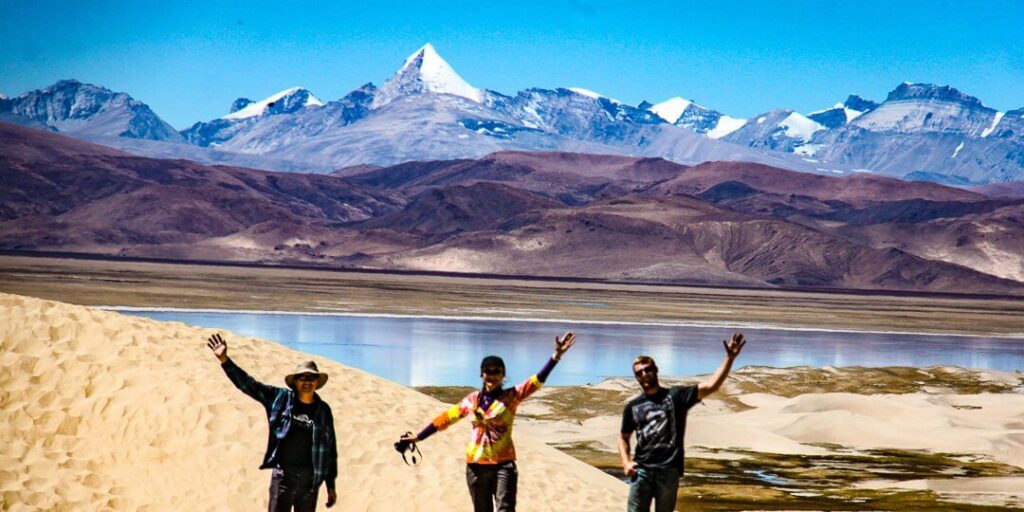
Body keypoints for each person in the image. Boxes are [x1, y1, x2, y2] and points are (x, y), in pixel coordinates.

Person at [399, 331, 578, 512]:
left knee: (505, 509)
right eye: (487, 371)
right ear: (482, 374)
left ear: (503, 375)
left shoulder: (512, 396)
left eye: (496, 371)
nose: (492, 375)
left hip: (504, 465)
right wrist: (419, 437)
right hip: (476, 467)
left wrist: (556, 356)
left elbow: (536, 381)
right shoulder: (472, 400)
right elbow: (446, 418)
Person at [207, 333, 338, 512]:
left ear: (317, 382)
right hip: (283, 478)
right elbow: (249, 385)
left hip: (309, 483)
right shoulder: (280, 398)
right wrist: (225, 360)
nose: (307, 382)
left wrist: (330, 486)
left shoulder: (323, 410)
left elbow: (330, 450)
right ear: (295, 381)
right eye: (303, 377)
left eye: (311, 378)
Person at [618, 332, 747, 512]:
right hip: (642, 472)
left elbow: (711, 386)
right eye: (639, 373)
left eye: (648, 370)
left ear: (656, 370)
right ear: (637, 377)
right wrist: (626, 462)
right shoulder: (633, 406)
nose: (644, 374)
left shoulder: (676, 396)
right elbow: (623, 437)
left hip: (668, 472)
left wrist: (729, 358)